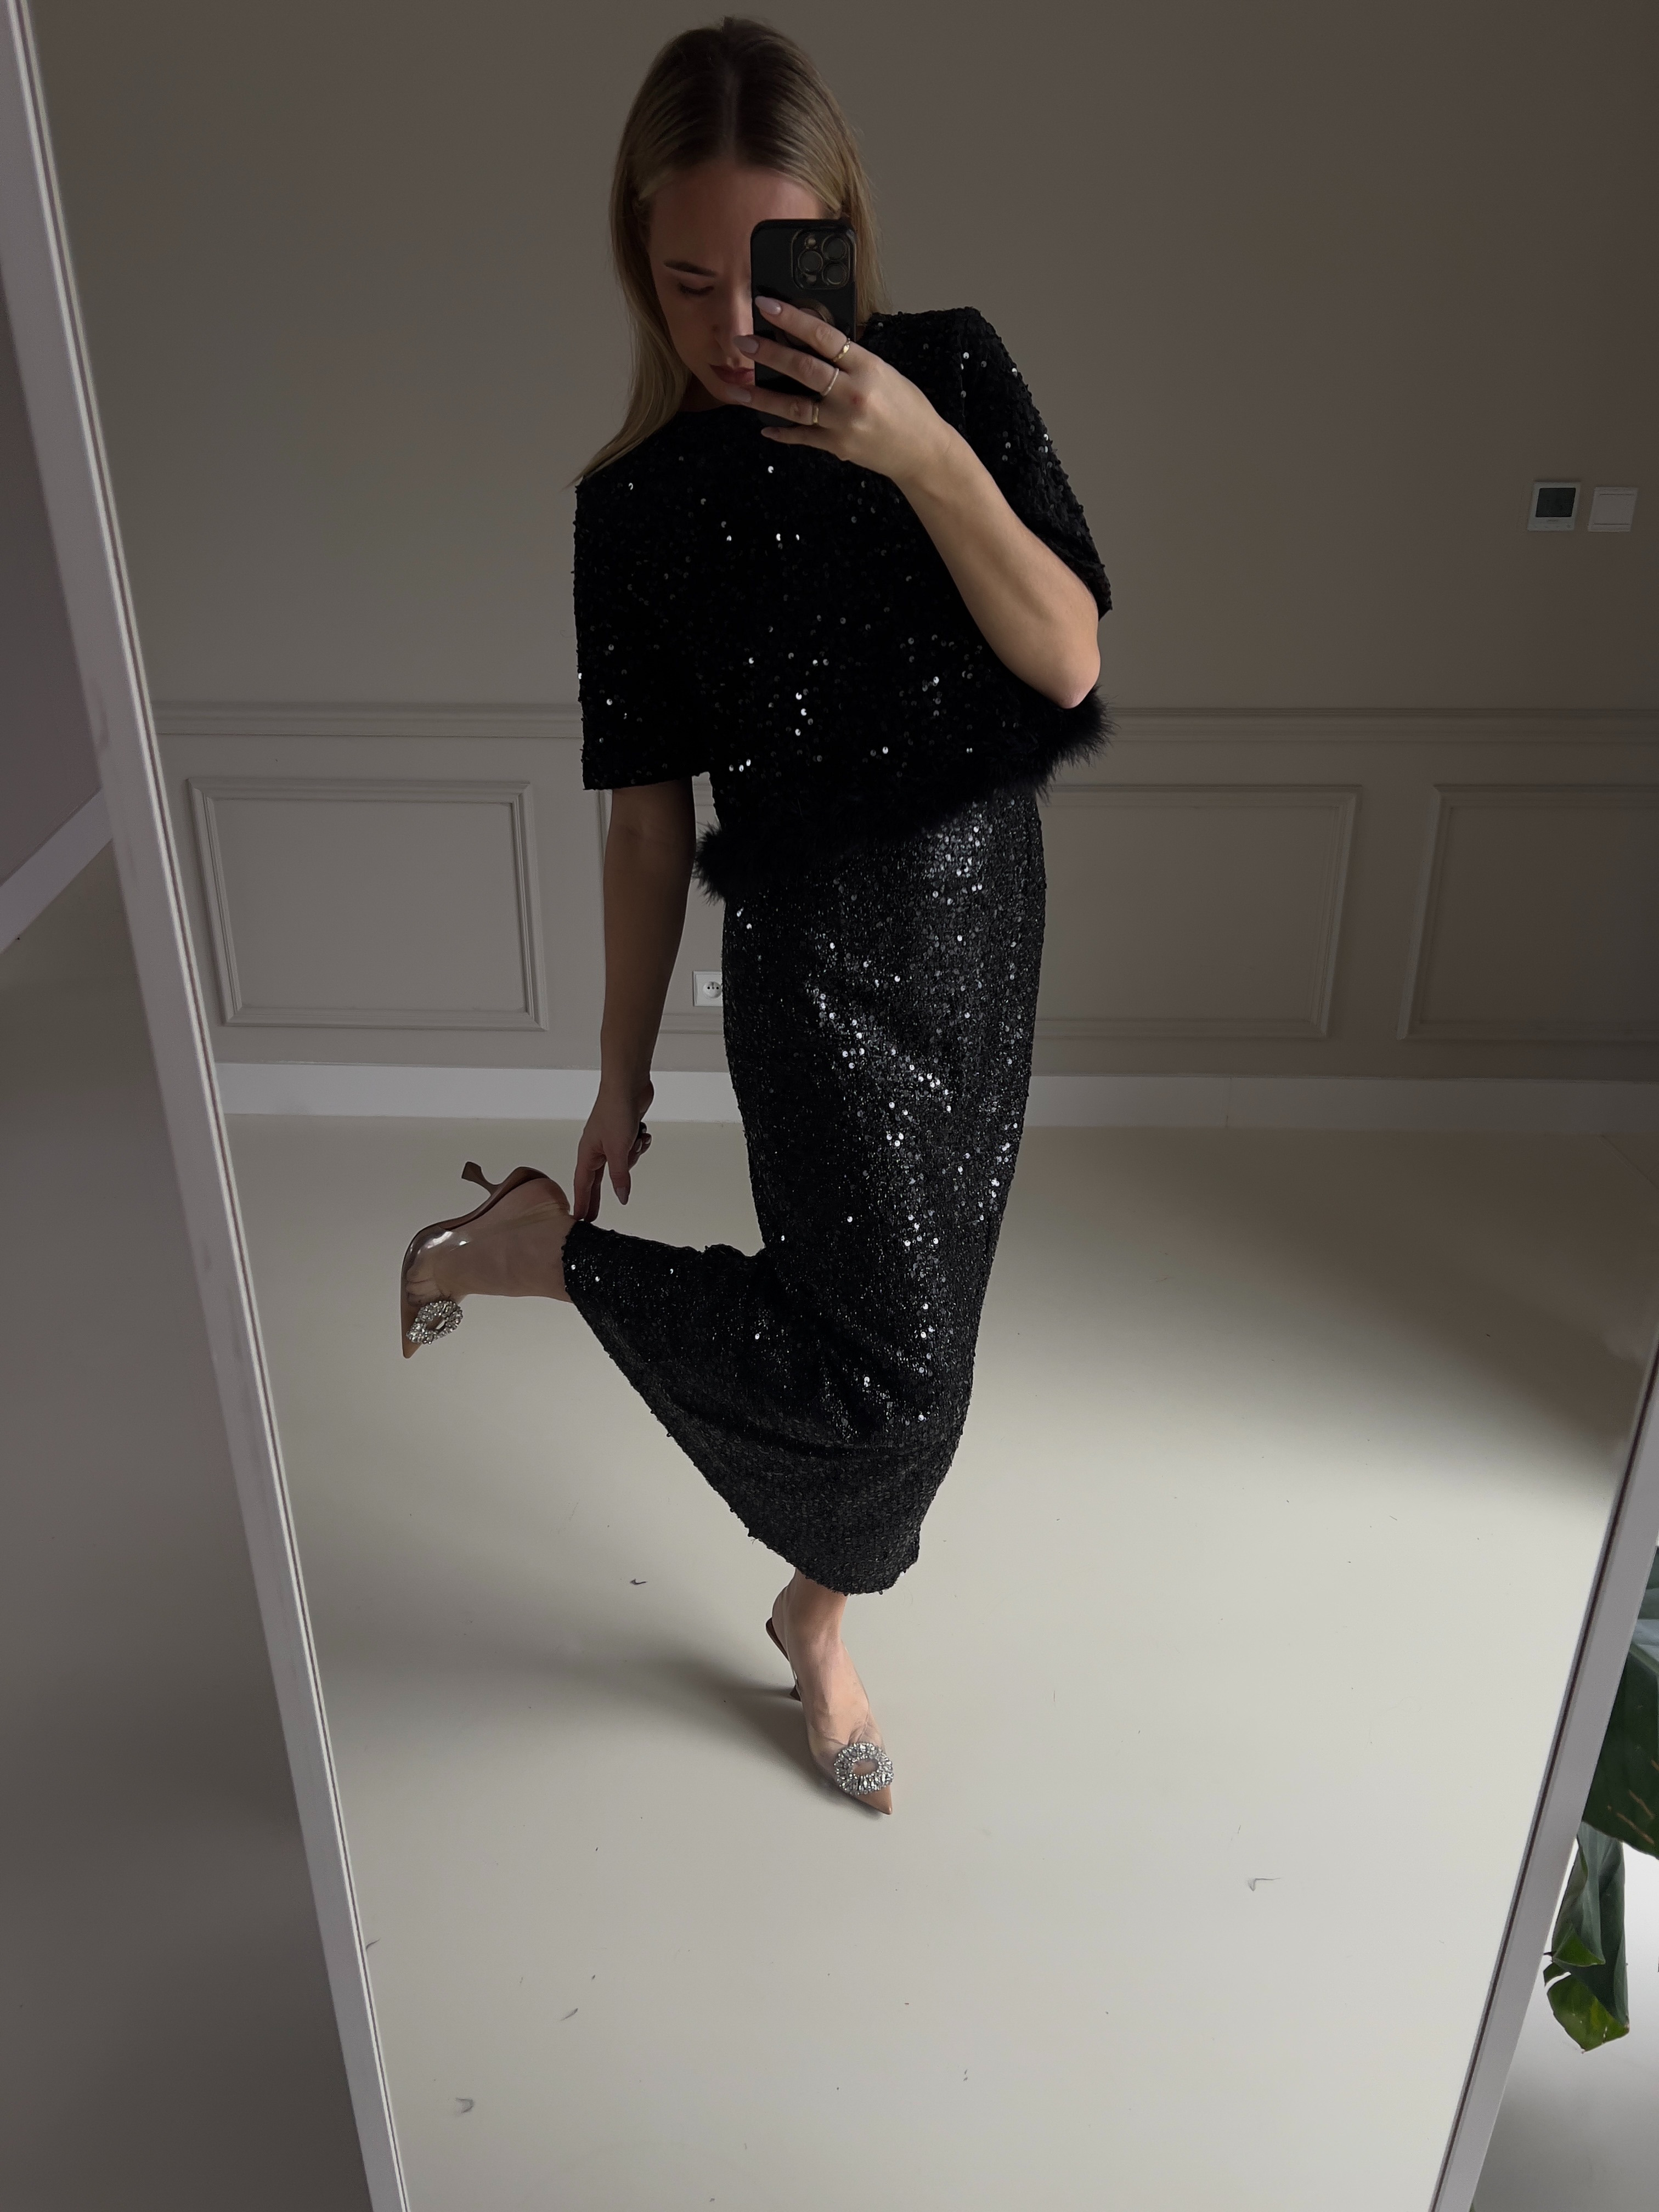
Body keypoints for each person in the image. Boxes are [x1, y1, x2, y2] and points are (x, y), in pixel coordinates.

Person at [399, 18, 1109, 1815]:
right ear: (635, 265)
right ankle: (542, 1257)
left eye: (765, 269)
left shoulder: (952, 376)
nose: (729, 326)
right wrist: (617, 1074)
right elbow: (650, 832)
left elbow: (1067, 657)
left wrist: (921, 452)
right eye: (684, 279)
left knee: (928, 1354)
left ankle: (814, 1605)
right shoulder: (634, 513)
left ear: (840, 234)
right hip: (815, 976)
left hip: (985, 930)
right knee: (895, 1387)